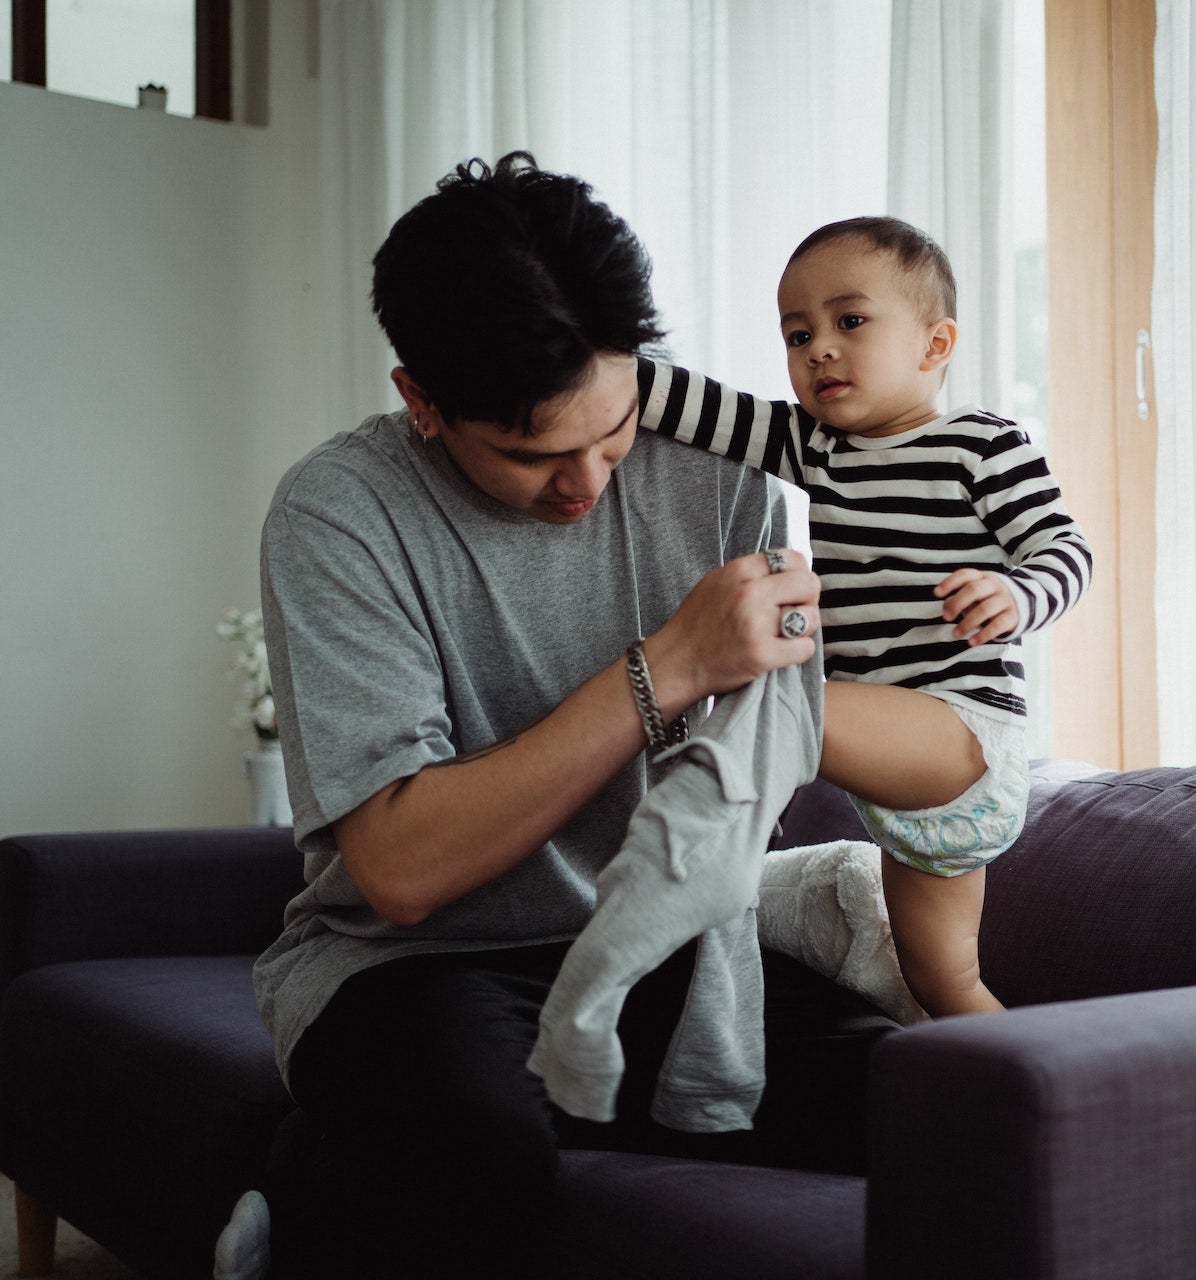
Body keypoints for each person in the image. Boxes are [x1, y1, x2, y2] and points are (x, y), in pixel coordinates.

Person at [218, 153, 888, 1280]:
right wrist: (666, 664)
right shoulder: (339, 513)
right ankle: (324, 1199)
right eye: (534, 454)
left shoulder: (724, 462)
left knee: (919, 1100)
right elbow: (401, 867)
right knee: (478, 1138)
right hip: (411, 964)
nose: (588, 482)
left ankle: (326, 1183)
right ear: (420, 400)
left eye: (614, 430)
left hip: (653, 940)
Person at [636, 216, 1094, 1017]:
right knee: (941, 983)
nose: (818, 348)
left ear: (934, 342)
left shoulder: (981, 447)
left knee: (778, 699)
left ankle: (690, 846)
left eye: (850, 322)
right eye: (797, 333)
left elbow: (1066, 550)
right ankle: (1040, 1101)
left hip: (957, 736)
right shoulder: (815, 447)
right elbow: (693, 407)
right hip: (906, 801)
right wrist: (595, 368)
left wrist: (1018, 595)